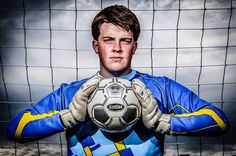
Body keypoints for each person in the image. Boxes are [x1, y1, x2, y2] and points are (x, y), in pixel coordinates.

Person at [7, 5, 229, 156]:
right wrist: (68, 118)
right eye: (108, 40)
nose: (116, 48)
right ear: (96, 46)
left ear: (135, 46)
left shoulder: (161, 87)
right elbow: (17, 129)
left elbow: (218, 121)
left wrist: (165, 123)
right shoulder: (72, 92)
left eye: (125, 40)